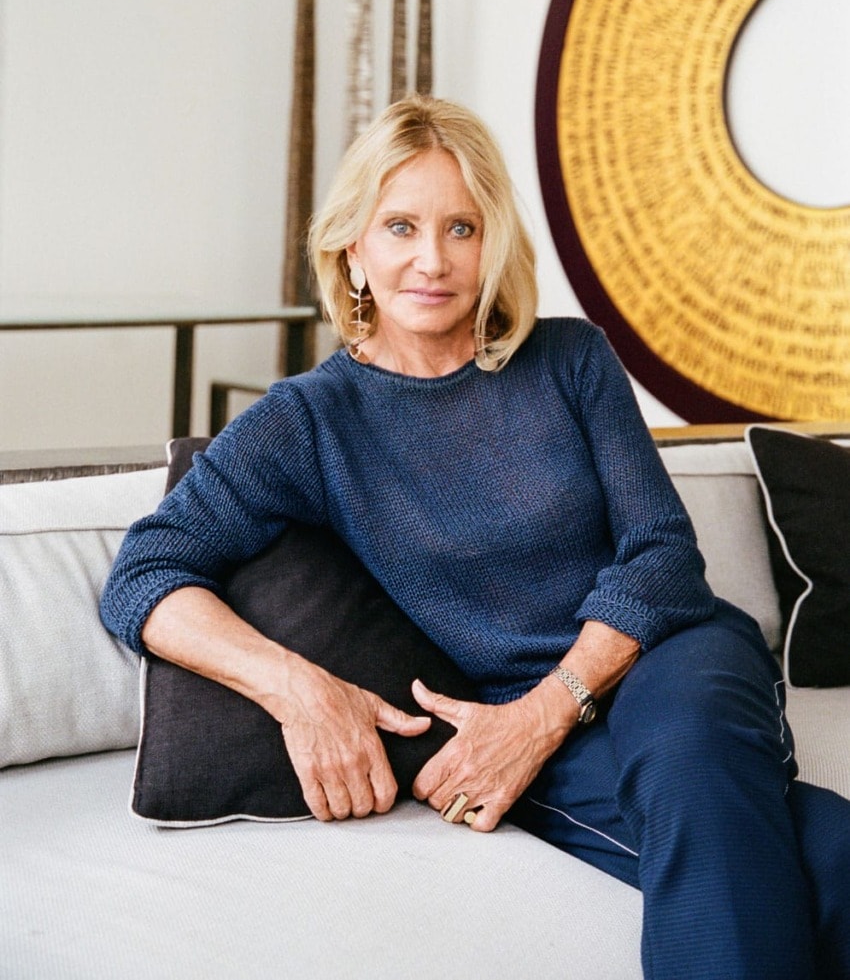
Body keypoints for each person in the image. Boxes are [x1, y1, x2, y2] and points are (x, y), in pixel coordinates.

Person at [101, 95, 850, 979]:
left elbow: (662, 556)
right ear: (353, 248)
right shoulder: (311, 419)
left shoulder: (570, 358)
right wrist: (302, 691)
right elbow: (143, 573)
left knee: (693, 763)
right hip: (530, 736)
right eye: (401, 226)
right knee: (828, 855)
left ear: (493, 240)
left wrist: (544, 711)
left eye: (462, 227)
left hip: (672, 656)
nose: (432, 259)